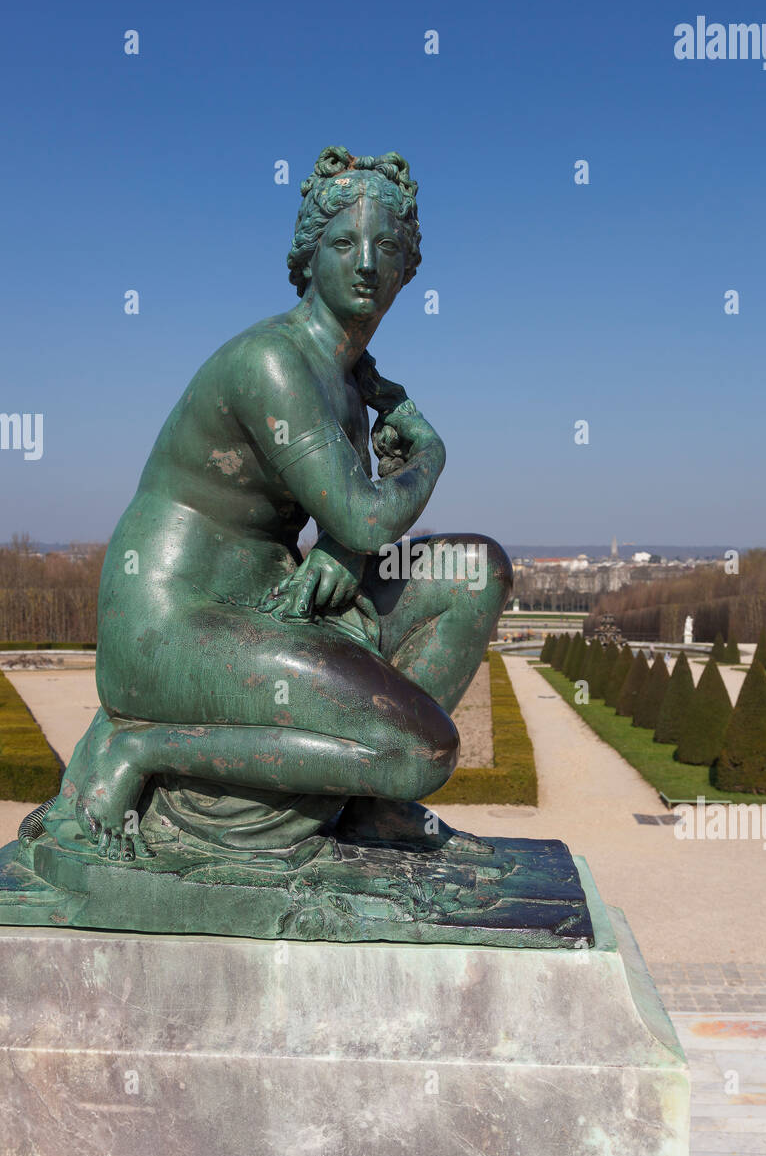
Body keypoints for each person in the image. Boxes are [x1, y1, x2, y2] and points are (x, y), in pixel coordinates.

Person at [73, 147, 512, 860]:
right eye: (344, 243)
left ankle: (376, 814)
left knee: (477, 571)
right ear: (307, 258)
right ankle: (141, 746)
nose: (367, 263)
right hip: (171, 628)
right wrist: (429, 454)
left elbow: (348, 521)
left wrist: (344, 546)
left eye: (387, 248)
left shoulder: (346, 378)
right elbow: (366, 516)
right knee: (423, 751)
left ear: (408, 269)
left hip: (269, 600)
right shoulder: (273, 362)